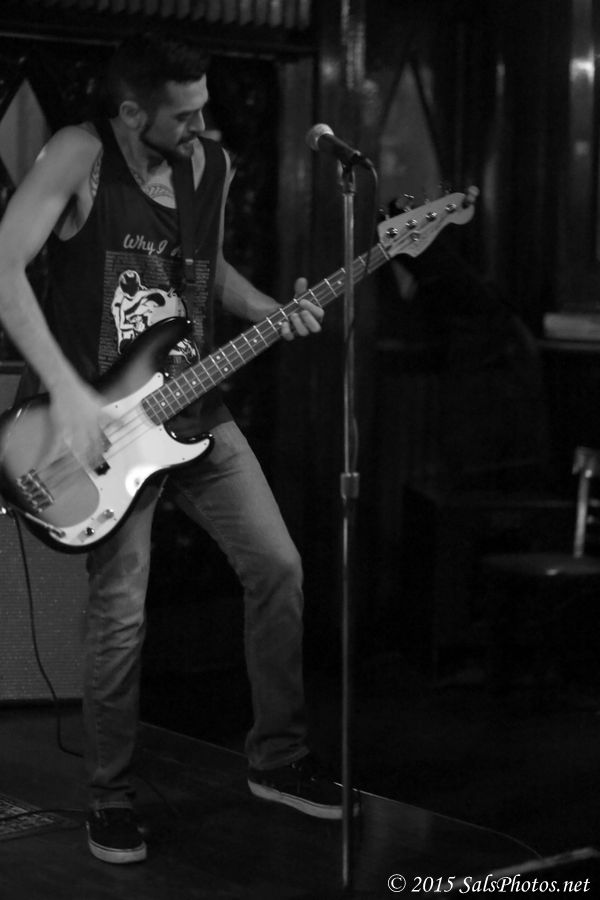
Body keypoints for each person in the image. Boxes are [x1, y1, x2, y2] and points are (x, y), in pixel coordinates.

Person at [0, 32, 354, 865]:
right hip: (94, 426)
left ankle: (277, 757)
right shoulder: (81, 153)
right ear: (132, 113)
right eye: (184, 115)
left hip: (194, 403)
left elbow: (206, 269)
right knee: (120, 610)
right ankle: (109, 799)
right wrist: (71, 392)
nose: (201, 125)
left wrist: (270, 307)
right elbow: (4, 266)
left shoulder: (210, 166)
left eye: (204, 109)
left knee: (279, 566)